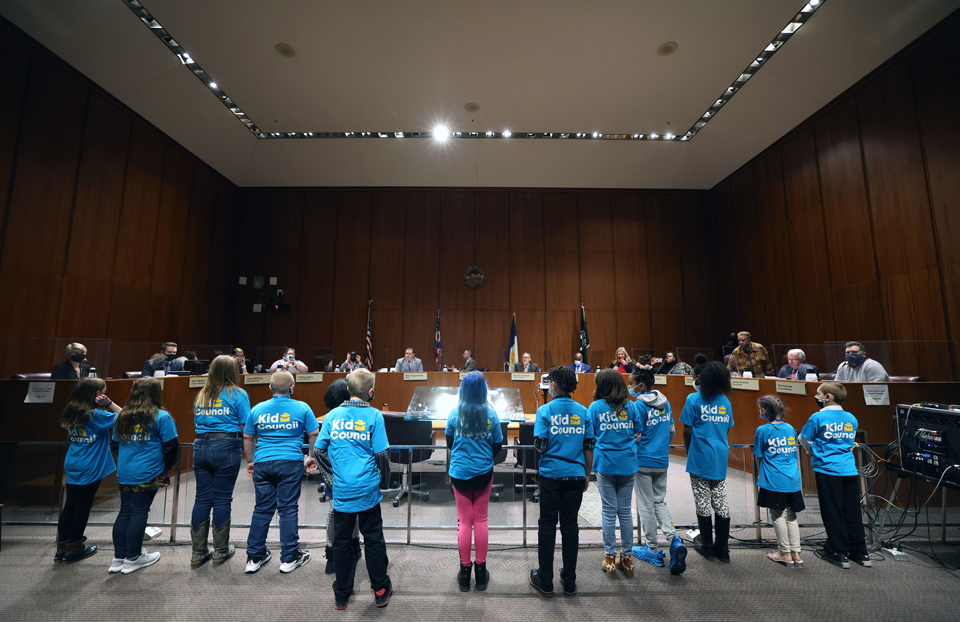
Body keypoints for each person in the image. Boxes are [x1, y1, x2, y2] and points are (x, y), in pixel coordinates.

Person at [316, 369, 393, 609]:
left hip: (342, 491)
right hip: (368, 489)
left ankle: (342, 594)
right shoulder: (375, 415)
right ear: (371, 392)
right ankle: (380, 590)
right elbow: (382, 454)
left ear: (348, 389)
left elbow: (319, 452)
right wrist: (383, 481)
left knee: (342, 542)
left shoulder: (331, 416)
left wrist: (332, 479)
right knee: (373, 540)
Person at [243, 371, 318, 574]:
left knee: (262, 509)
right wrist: (310, 456)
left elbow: (248, 437)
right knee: (287, 508)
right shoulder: (302, 407)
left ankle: (254, 557)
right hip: (290, 462)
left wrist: (251, 461)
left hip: (263, 463)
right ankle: (289, 557)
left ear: (270, 388)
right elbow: (313, 434)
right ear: (292, 388)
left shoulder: (257, 409)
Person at [529, 366, 594, 598]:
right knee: (570, 526)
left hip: (551, 476)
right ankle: (569, 581)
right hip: (576, 476)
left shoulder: (545, 410)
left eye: (550, 382)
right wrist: (587, 475)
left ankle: (545, 580)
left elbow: (541, 445)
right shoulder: (584, 411)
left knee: (547, 524)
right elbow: (588, 447)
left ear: (554, 385)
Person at [110, 377, 179, 574]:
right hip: (148, 472)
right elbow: (171, 447)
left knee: (125, 512)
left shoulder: (121, 416)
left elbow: (115, 444)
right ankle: (133, 558)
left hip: (125, 471)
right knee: (139, 513)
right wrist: (164, 466)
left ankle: (119, 558)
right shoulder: (162, 417)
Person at [799, 382, 870, 569]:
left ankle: (838, 550)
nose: (817, 396)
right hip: (848, 469)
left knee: (832, 510)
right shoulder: (851, 418)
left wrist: (813, 450)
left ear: (828, 396)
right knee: (852, 510)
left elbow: (803, 439)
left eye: (819, 393)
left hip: (827, 469)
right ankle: (860, 551)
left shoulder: (817, 417)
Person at [190, 355, 252, 569]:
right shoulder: (238, 394)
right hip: (226, 447)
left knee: (202, 499)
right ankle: (220, 551)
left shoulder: (202, 394)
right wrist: (250, 455)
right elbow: (247, 428)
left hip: (200, 447)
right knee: (222, 498)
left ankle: (198, 553)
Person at [445, 372, 504, 592]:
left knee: (464, 521)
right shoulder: (491, 414)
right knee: (481, 520)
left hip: (459, 473)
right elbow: (498, 445)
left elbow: (450, 443)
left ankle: (464, 573)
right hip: (483, 473)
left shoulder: (454, 413)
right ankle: (481, 572)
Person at [55, 378, 121, 564]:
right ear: (95, 394)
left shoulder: (70, 411)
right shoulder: (96, 415)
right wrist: (109, 404)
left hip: (73, 461)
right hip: (90, 464)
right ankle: (74, 548)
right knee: (83, 505)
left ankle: (61, 548)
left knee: (70, 505)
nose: (105, 395)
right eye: (103, 392)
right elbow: (127, 417)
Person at [627, 369, 686, 575]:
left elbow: (636, 434)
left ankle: (652, 548)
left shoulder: (638, 406)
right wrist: (659, 447)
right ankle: (673, 539)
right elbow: (671, 431)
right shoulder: (665, 402)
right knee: (659, 502)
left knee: (645, 504)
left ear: (641, 385)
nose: (629, 386)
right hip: (661, 460)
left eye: (631, 382)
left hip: (643, 462)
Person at [588, 369, 641, 579]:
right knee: (625, 511)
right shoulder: (632, 406)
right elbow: (638, 430)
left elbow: (590, 434)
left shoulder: (595, 407)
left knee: (609, 512)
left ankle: (610, 559)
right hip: (627, 463)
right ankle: (627, 559)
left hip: (606, 465)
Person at [680, 361, 734, 563]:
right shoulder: (725, 401)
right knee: (721, 501)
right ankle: (724, 549)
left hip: (700, 455)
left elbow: (687, 430)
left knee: (702, 501)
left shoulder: (693, 398)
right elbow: (727, 428)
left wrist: (689, 451)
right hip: (720, 456)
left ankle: (708, 547)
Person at [754, 395, 804, 567]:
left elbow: (759, 455)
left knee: (778, 516)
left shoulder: (762, 430)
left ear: (767, 410)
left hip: (774, 479)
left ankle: (784, 553)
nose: (760, 411)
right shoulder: (790, 428)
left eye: (761, 408)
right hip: (792, 479)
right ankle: (796, 553)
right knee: (791, 515)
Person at [318, 380, 361, 575]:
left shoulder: (339, 417)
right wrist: (331, 479)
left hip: (344, 477)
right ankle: (334, 553)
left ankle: (351, 547)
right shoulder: (332, 418)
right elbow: (321, 451)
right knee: (337, 514)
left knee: (345, 513)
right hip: (338, 478)